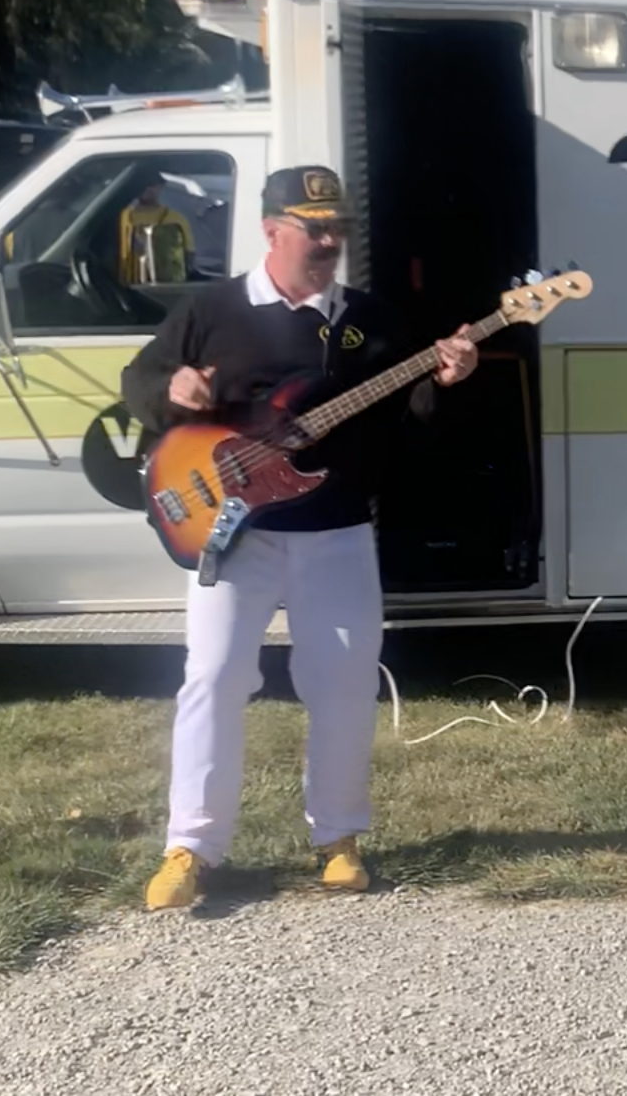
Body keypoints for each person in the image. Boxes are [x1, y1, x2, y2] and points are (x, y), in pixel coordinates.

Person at [119, 166, 480, 911]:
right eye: (312, 227)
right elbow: (139, 382)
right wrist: (172, 391)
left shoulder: (372, 320)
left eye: (337, 228)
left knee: (346, 684)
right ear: (270, 229)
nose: (328, 242)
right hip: (230, 535)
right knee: (214, 680)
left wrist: (441, 382)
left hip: (336, 529)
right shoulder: (213, 309)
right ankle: (190, 847)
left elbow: (404, 424)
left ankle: (340, 839)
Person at [119, 181, 197, 285]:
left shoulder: (176, 220)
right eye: (144, 184)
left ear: (161, 186)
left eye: (153, 184)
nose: (148, 189)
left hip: (165, 291)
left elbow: (188, 259)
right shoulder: (121, 218)